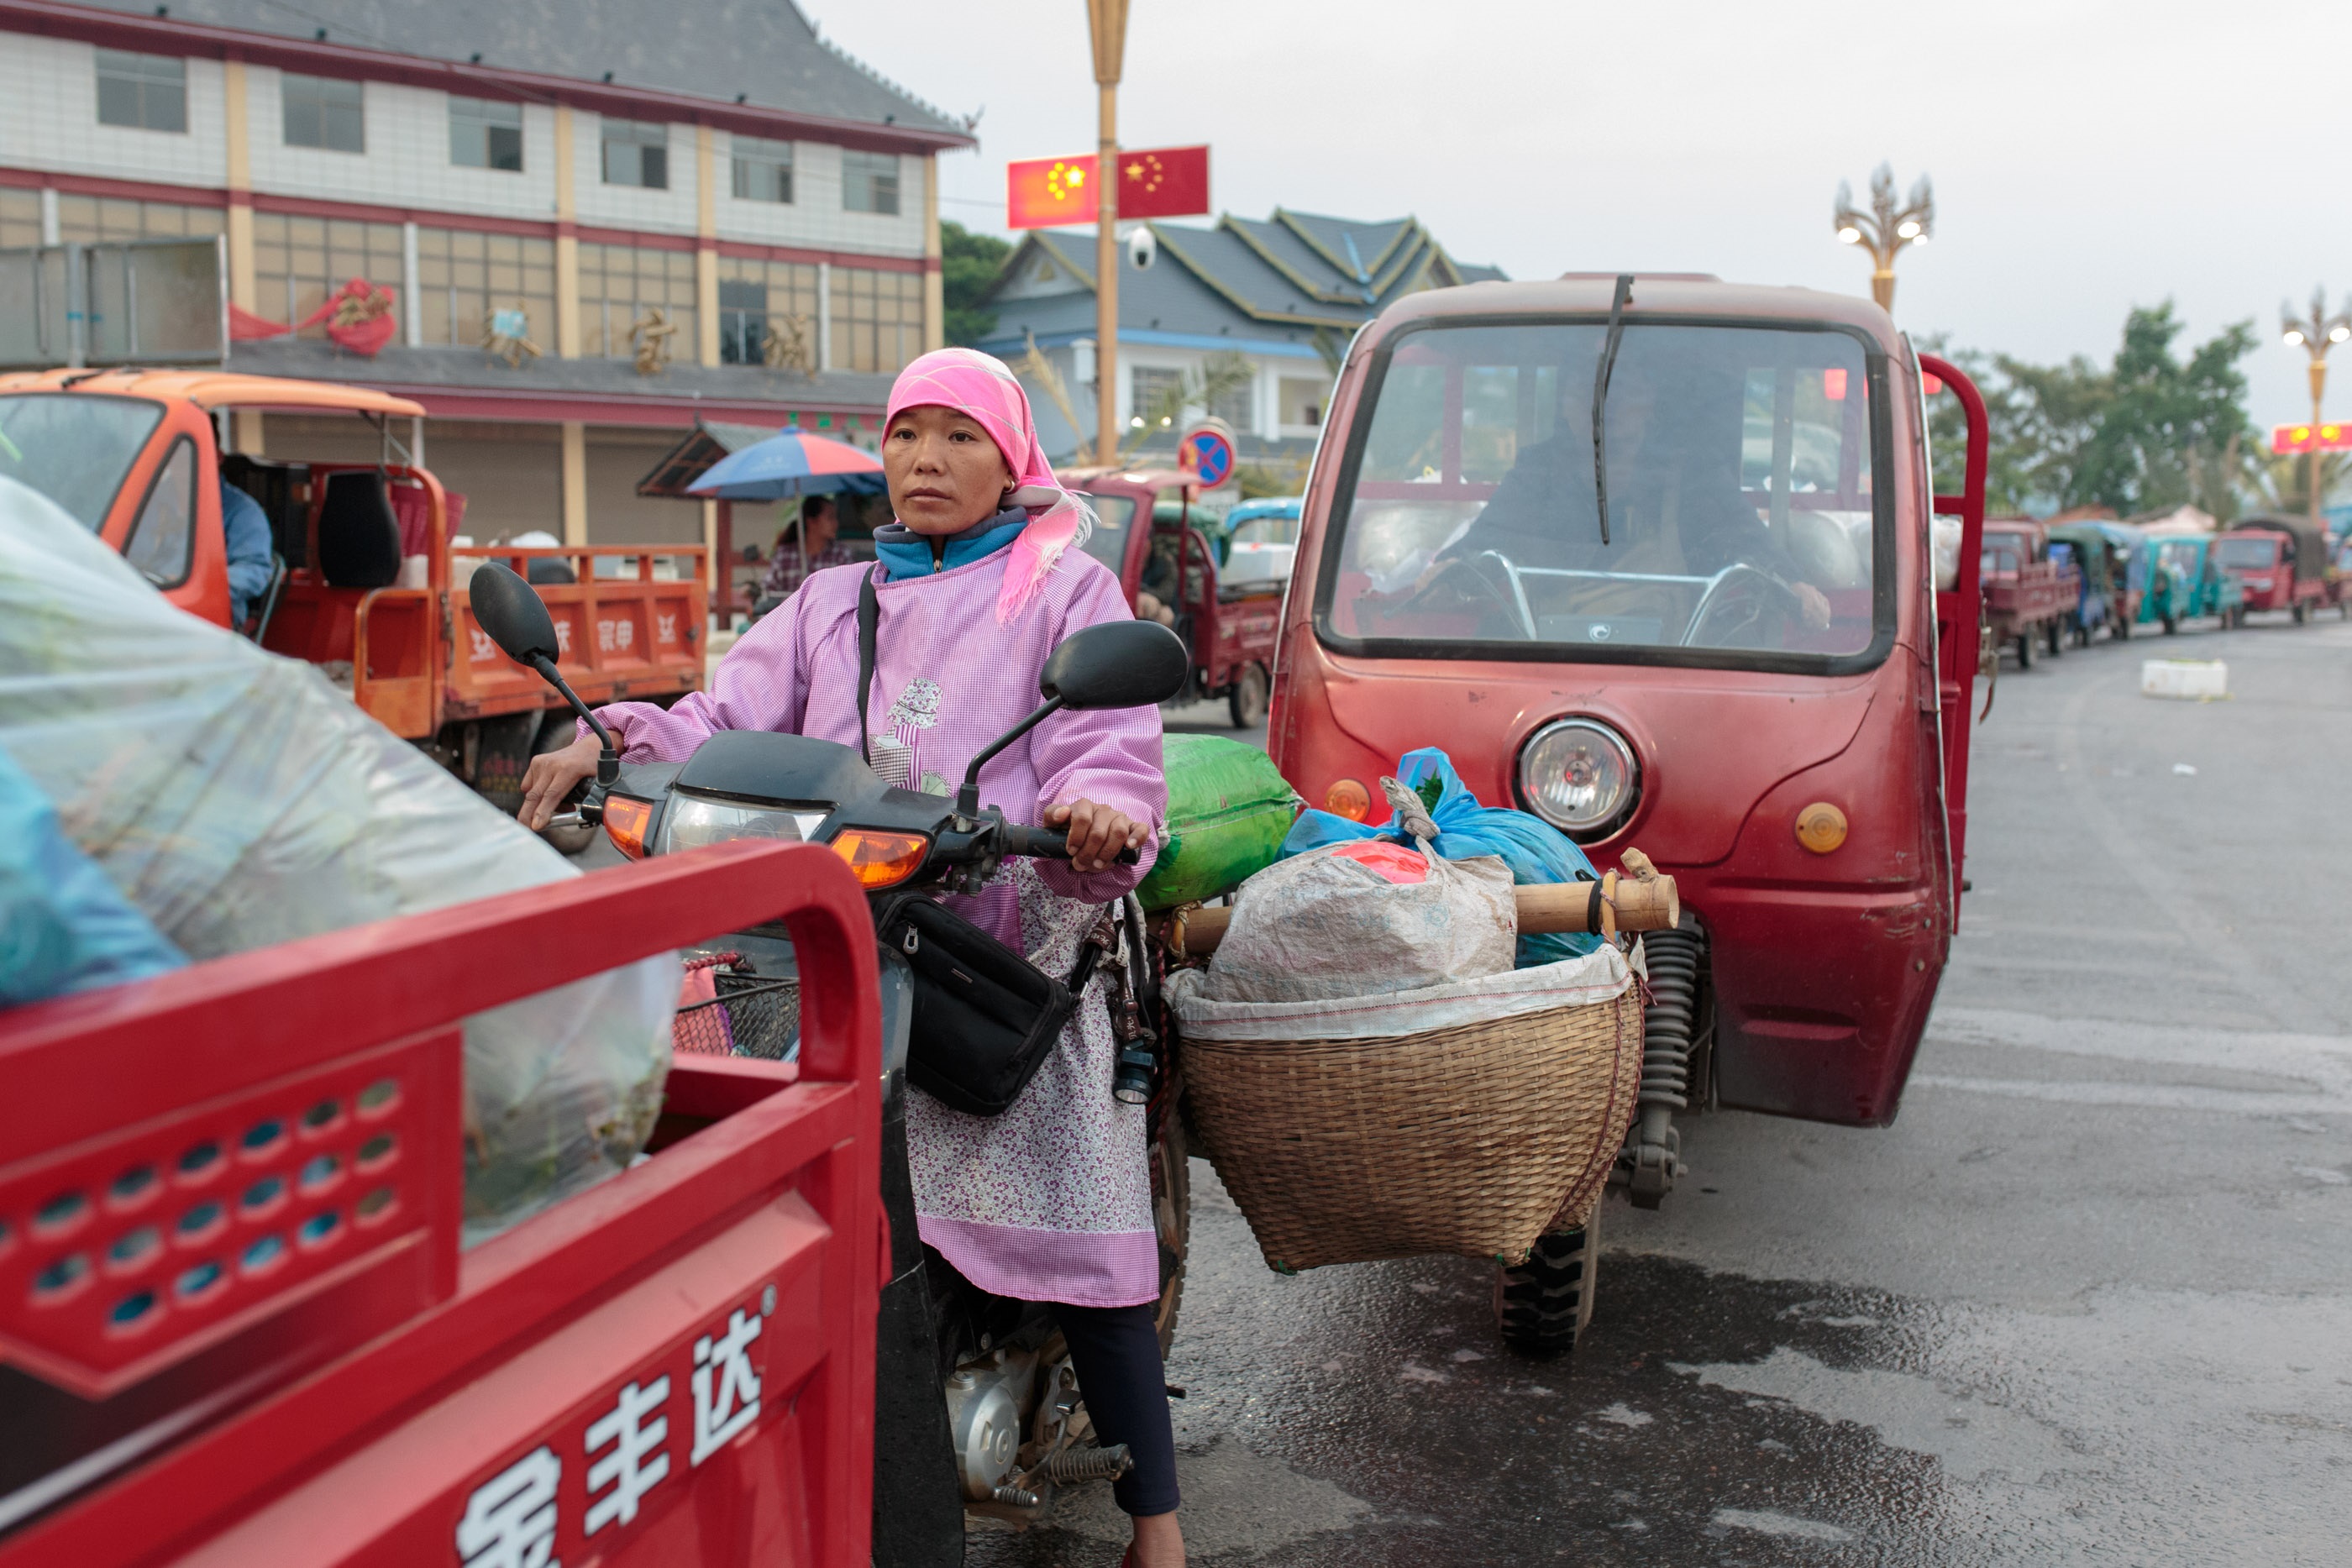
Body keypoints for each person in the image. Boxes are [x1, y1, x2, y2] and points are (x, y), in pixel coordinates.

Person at [518, 347, 1185, 1566]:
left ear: (1011, 458)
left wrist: (1096, 808)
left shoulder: (1066, 591)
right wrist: (603, 735)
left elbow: (1109, 748)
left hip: (1004, 958)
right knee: (684, 1135)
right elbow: (722, 717)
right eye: (907, 435)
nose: (925, 461)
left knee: (1088, 1234)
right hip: (825, 934)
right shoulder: (835, 597)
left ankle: (1160, 1520)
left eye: (958, 437)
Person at [761, 493, 856, 597]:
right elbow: (768, 589)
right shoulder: (784, 555)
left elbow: (850, 589)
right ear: (812, 522)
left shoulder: (841, 554)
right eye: (830, 517)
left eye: (835, 517)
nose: (836, 523)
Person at [219, 477, 275, 630]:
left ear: (219, 457)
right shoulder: (157, 496)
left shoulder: (243, 511)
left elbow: (254, 570)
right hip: (155, 607)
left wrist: (202, 586)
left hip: (211, 620)